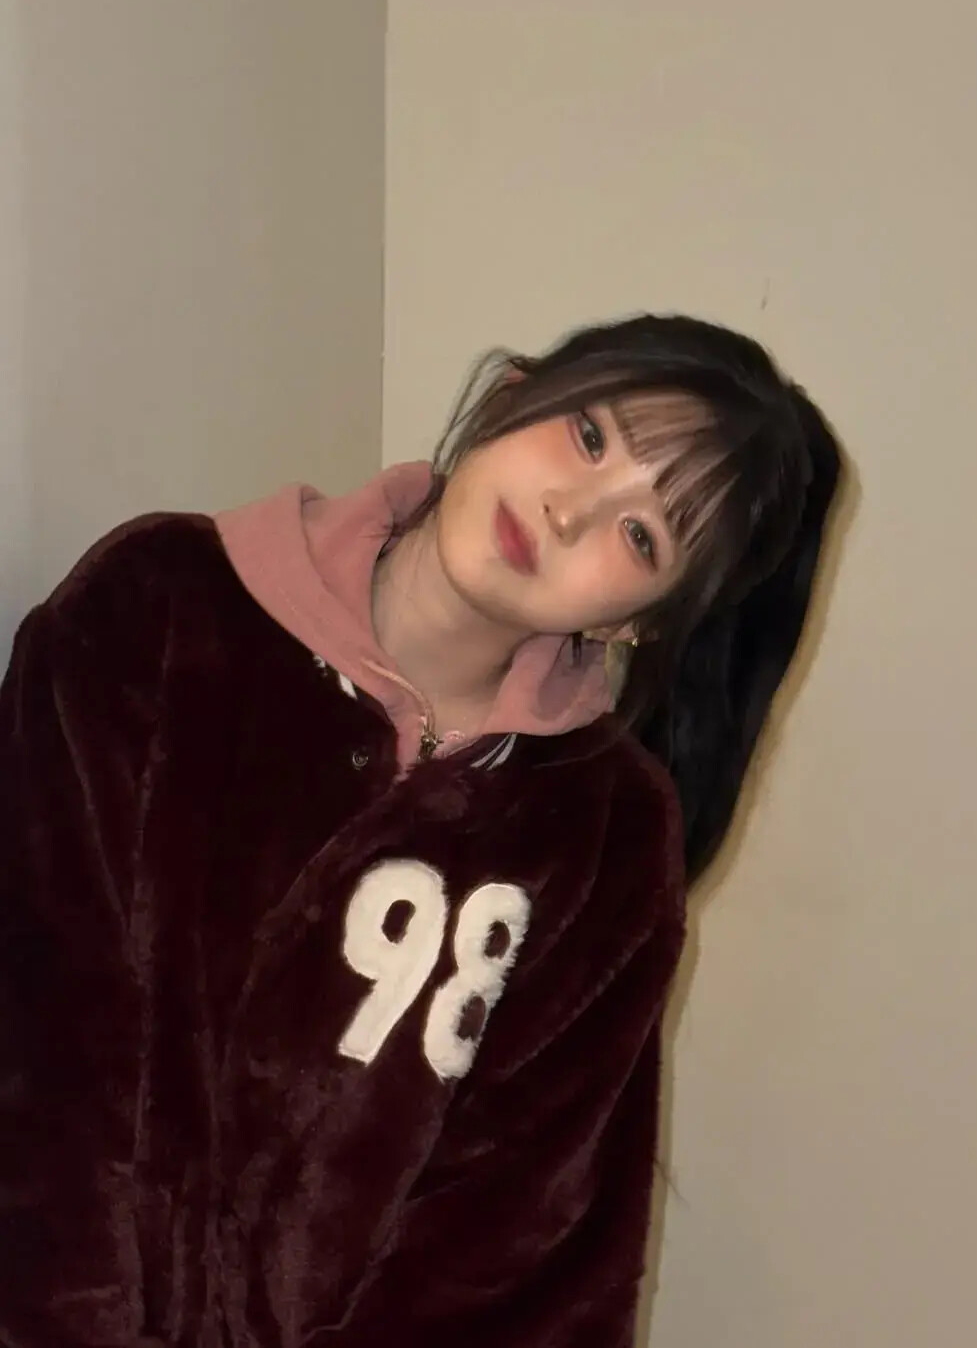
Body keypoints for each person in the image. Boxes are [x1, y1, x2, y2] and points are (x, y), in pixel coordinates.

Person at [0, 313, 842, 1346]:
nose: (571, 510)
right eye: (589, 436)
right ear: (511, 396)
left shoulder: (604, 834)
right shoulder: (159, 607)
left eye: (640, 536)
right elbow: (44, 1040)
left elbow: (524, 1250)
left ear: (639, 619)